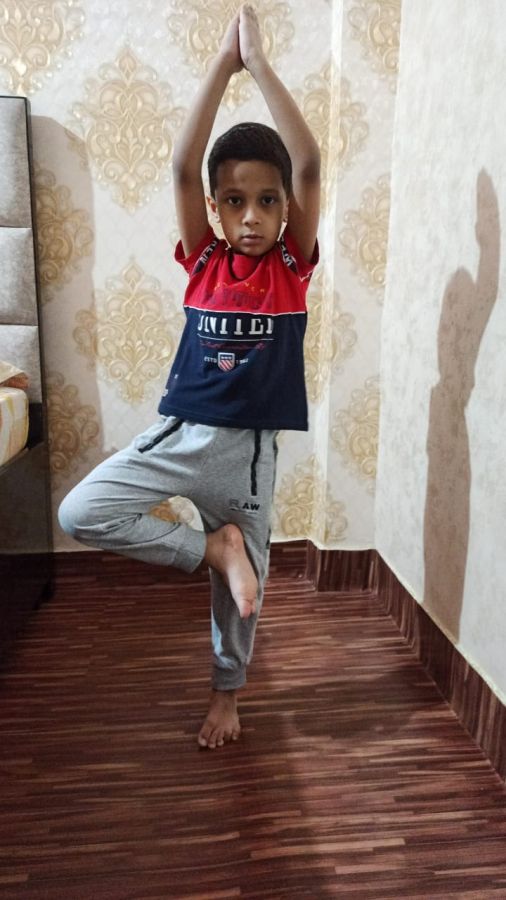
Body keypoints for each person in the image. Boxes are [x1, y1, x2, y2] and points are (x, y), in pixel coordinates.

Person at [58, 4, 320, 749]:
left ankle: (226, 695)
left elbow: (308, 164)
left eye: (266, 201)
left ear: (286, 209)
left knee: (243, 598)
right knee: (81, 512)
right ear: (213, 209)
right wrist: (222, 64)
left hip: (248, 456)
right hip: (180, 436)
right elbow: (181, 164)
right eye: (234, 202)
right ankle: (214, 549)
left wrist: (260, 65)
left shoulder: (291, 267)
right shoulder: (204, 259)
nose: (251, 217)